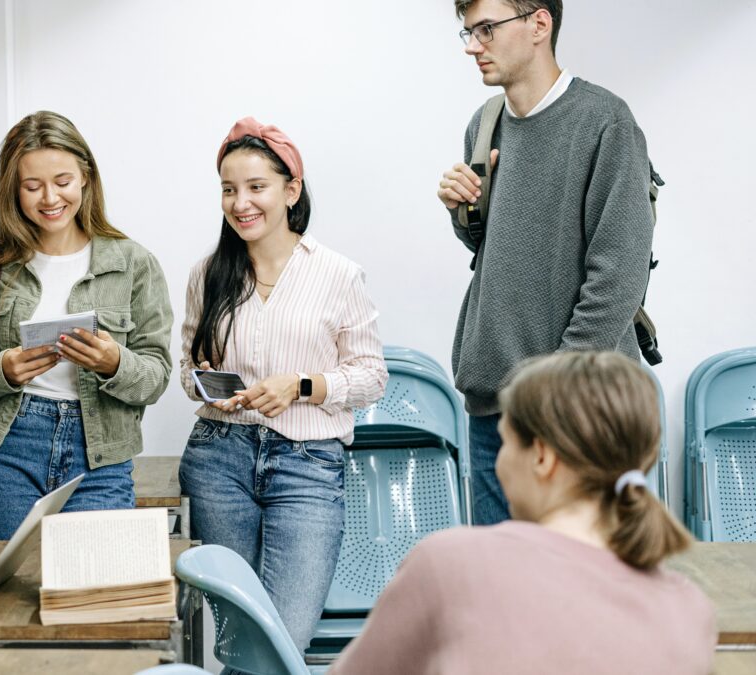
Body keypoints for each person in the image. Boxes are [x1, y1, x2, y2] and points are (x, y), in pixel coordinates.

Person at [330, 351, 716, 674]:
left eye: (505, 443)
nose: (498, 462)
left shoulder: (451, 563)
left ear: (543, 456)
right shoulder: (689, 611)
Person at [436, 0, 657, 524]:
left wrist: (553, 392)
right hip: (495, 410)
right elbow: (499, 249)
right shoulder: (484, 124)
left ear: (539, 24)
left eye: (486, 29)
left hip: (579, 410)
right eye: (467, 32)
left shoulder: (605, 121)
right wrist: (461, 210)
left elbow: (619, 274)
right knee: (502, 593)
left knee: (588, 592)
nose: (472, 46)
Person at [178, 117, 387, 653]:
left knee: (282, 638)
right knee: (236, 636)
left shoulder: (339, 274)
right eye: (228, 189)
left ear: (291, 190)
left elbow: (371, 377)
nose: (240, 203)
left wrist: (301, 385)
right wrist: (204, 382)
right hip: (218, 460)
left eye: (256, 187)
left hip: (309, 465)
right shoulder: (208, 275)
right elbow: (186, 370)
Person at [0, 111, 173, 540]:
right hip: (7, 450)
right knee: (4, 597)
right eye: (32, 186)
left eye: (62, 181)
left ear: (85, 177)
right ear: (13, 189)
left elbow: (156, 377)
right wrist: (2, 369)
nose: (49, 198)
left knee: (91, 595)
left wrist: (115, 362)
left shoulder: (133, 264)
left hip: (100, 455)